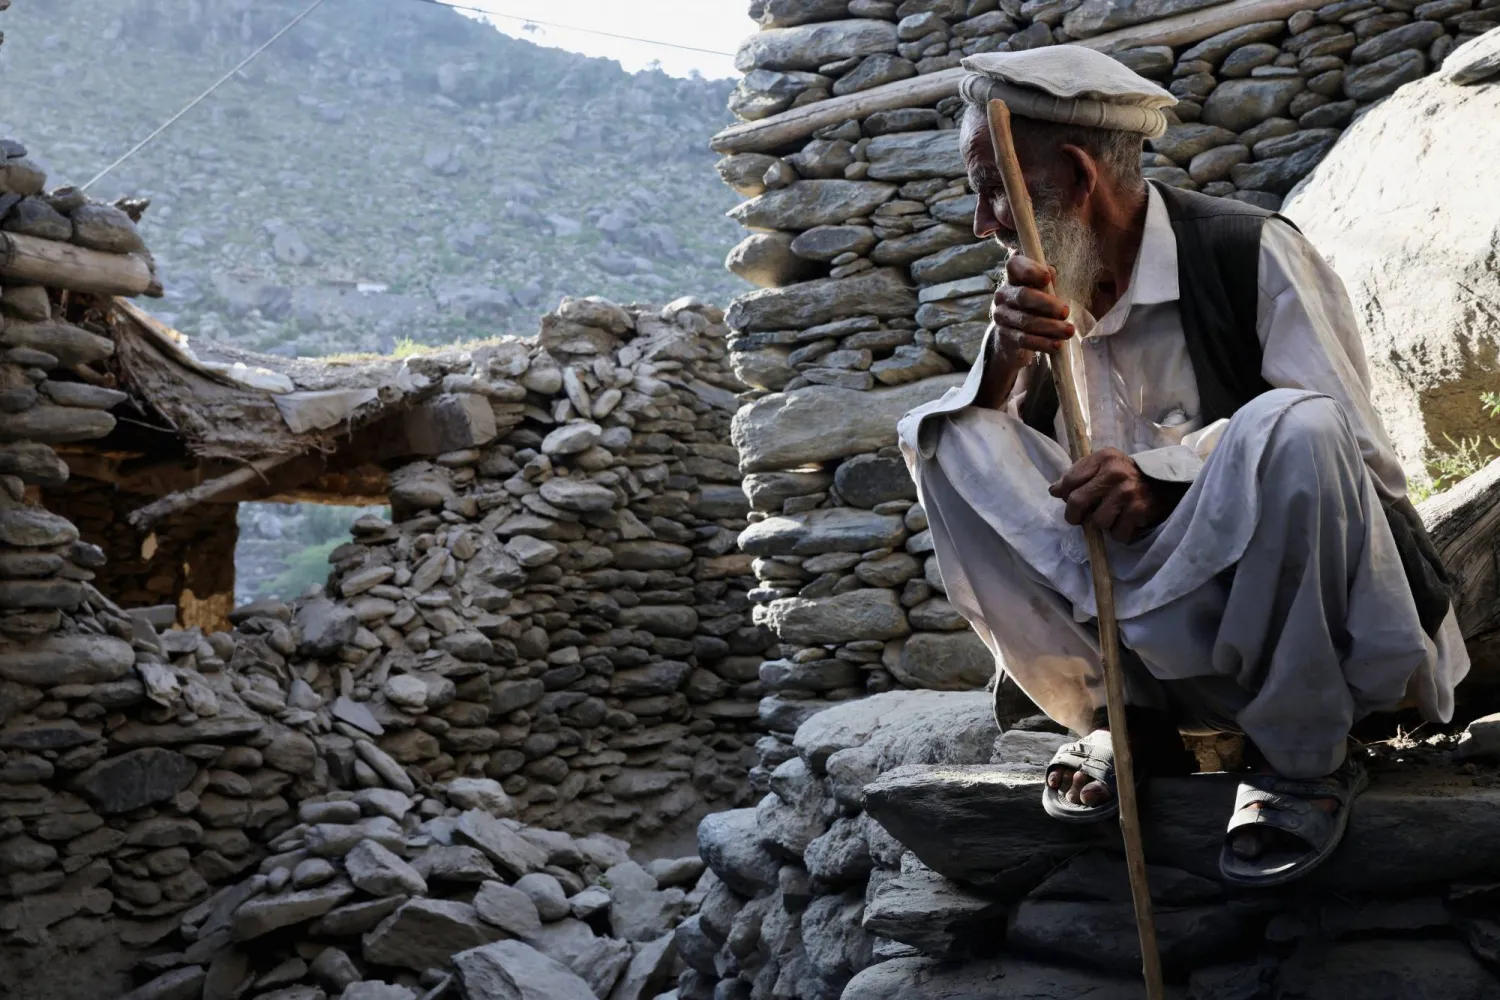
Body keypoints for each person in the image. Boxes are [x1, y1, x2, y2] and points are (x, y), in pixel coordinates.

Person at [897, 46, 1468, 886]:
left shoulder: (1250, 251)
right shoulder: (1041, 285)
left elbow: (1357, 460)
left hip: (1299, 630)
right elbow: (1009, 467)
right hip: (1147, 638)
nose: (985, 222)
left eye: (995, 187)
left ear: (1080, 177)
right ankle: (1121, 717)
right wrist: (1003, 362)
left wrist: (1166, 478)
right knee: (945, 433)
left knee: (1298, 425)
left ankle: (1305, 759)